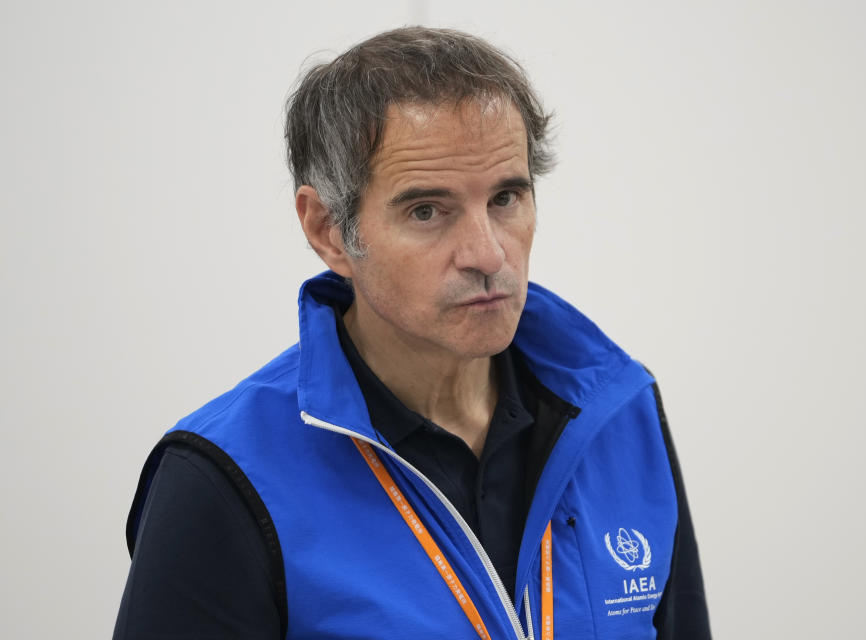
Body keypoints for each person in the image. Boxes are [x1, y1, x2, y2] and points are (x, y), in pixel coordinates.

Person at [114, 26, 710, 640]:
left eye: (506, 197)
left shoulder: (620, 411)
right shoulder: (222, 478)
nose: (486, 253)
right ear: (327, 229)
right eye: (427, 210)